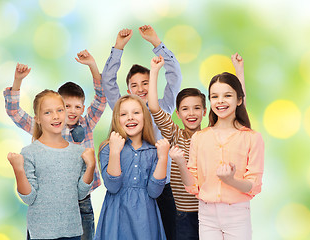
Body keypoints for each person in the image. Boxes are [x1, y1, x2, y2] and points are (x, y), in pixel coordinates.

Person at [3, 50, 106, 240]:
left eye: (76, 107)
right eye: (64, 107)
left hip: (80, 200)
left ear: (82, 108)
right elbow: (15, 112)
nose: (69, 112)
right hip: (46, 209)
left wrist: (92, 65)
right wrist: (17, 81)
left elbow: (101, 98)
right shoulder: (41, 129)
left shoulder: (87, 123)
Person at [148, 53, 245, 239]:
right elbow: (153, 107)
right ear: (178, 113)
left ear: (204, 111)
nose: (191, 113)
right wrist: (154, 71)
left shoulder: (213, 135)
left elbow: (239, 109)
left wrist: (239, 71)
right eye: (185, 109)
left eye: (196, 108)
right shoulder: (175, 135)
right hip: (182, 214)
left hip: (211, 212)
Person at [101, 25, 181, 239]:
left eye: (146, 83)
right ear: (128, 91)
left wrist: (157, 43)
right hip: (127, 188)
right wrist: (118, 48)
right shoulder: (124, 111)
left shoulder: (162, 108)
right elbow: (107, 82)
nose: (141, 89)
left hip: (161, 187)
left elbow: (174, 77)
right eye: (134, 85)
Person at [175, 71, 264, 239]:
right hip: (206, 214)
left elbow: (253, 185)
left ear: (239, 100)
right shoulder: (199, 138)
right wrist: (180, 162)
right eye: (214, 96)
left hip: (237, 214)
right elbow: (192, 186)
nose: (220, 101)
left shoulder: (252, 138)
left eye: (227, 95)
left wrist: (231, 180)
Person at [7, 89, 95, 239]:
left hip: (72, 232)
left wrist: (91, 166)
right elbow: (29, 198)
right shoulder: (30, 152)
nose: (55, 116)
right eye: (48, 112)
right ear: (38, 119)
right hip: (41, 233)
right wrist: (18, 169)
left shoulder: (78, 152)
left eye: (60, 110)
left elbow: (80, 194)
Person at [94, 94, 170, 240]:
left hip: (145, 221)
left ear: (145, 117)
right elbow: (112, 186)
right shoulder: (108, 148)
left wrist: (163, 158)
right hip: (116, 217)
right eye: (123, 114)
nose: (130, 117)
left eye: (136, 112)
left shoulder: (153, 151)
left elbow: (154, 192)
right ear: (117, 119)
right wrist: (115, 152)